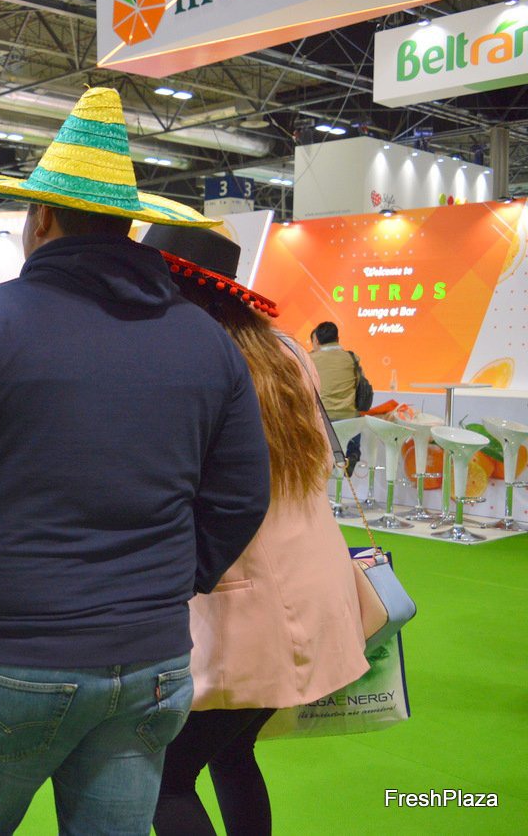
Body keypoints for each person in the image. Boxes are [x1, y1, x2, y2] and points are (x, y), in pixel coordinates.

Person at [0, 87, 271, 835]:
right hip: (152, 662)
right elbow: (243, 495)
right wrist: (166, 581)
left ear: (42, 219)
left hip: (11, 654)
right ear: (126, 223)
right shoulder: (205, 340)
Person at [146, 226, 368, 836]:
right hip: (312, 587)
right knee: (231, 751)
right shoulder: (285, 351)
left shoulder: (193, 357)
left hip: (248, 605)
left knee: (163, 776)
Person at [309, 321, 362, 471]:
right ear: (337, 339)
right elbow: (358, 385)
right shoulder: (352, 358)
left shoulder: (310, 359)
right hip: (348, 420)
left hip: (322, 421)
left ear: (317, 340)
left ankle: (318, 461)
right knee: (355, 417)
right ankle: (352, 454)